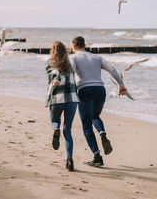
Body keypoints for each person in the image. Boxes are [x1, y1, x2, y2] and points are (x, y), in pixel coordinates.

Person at [70, 36, 127, 167]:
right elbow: (112, 69)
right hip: (100, 90)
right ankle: (102, 134)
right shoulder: (97, 57)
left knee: (86, 126)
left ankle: (97, 157)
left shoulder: (73, 57)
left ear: (73, 47)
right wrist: (121, 85)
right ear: (85, 45)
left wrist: (70, 90)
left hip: (85, 91)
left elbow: (71, 73)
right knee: (95, 116)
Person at [45, 41, 79, 172]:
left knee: (54, 121)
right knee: (68, 130)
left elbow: (54, 73)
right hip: (72, 100)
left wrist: (56, 80)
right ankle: (70, 159)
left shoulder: (49, 62)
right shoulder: (70, 64)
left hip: (56, 99)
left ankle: (55, 128)